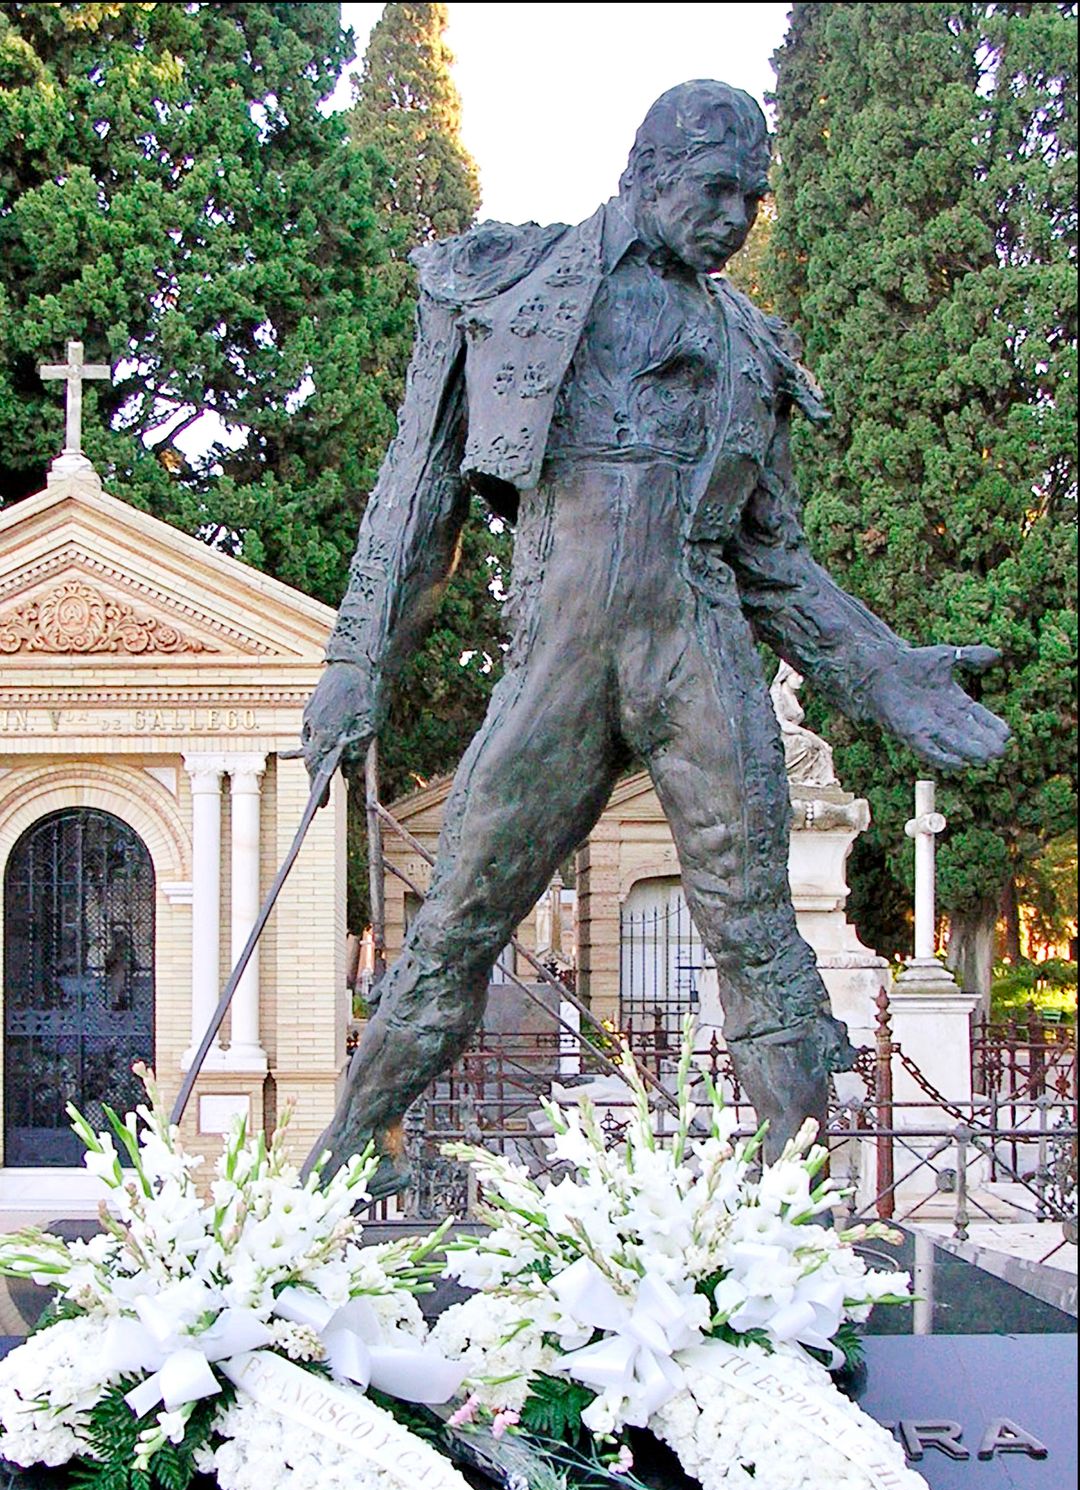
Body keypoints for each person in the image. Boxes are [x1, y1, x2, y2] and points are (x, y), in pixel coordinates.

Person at [300, 80, 1008, 1179]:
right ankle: (344, 1160)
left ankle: (792, 1217)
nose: (737, 220)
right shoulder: (506, 285)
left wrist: (888, 673)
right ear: (650, 171)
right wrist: (357, 664)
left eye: (754, 202)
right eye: (719, 192)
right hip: (558, 657)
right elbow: (416, 492)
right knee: (455, 924)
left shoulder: (752, 349)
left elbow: (775, 563)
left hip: (701, 651)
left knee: (758, 935)